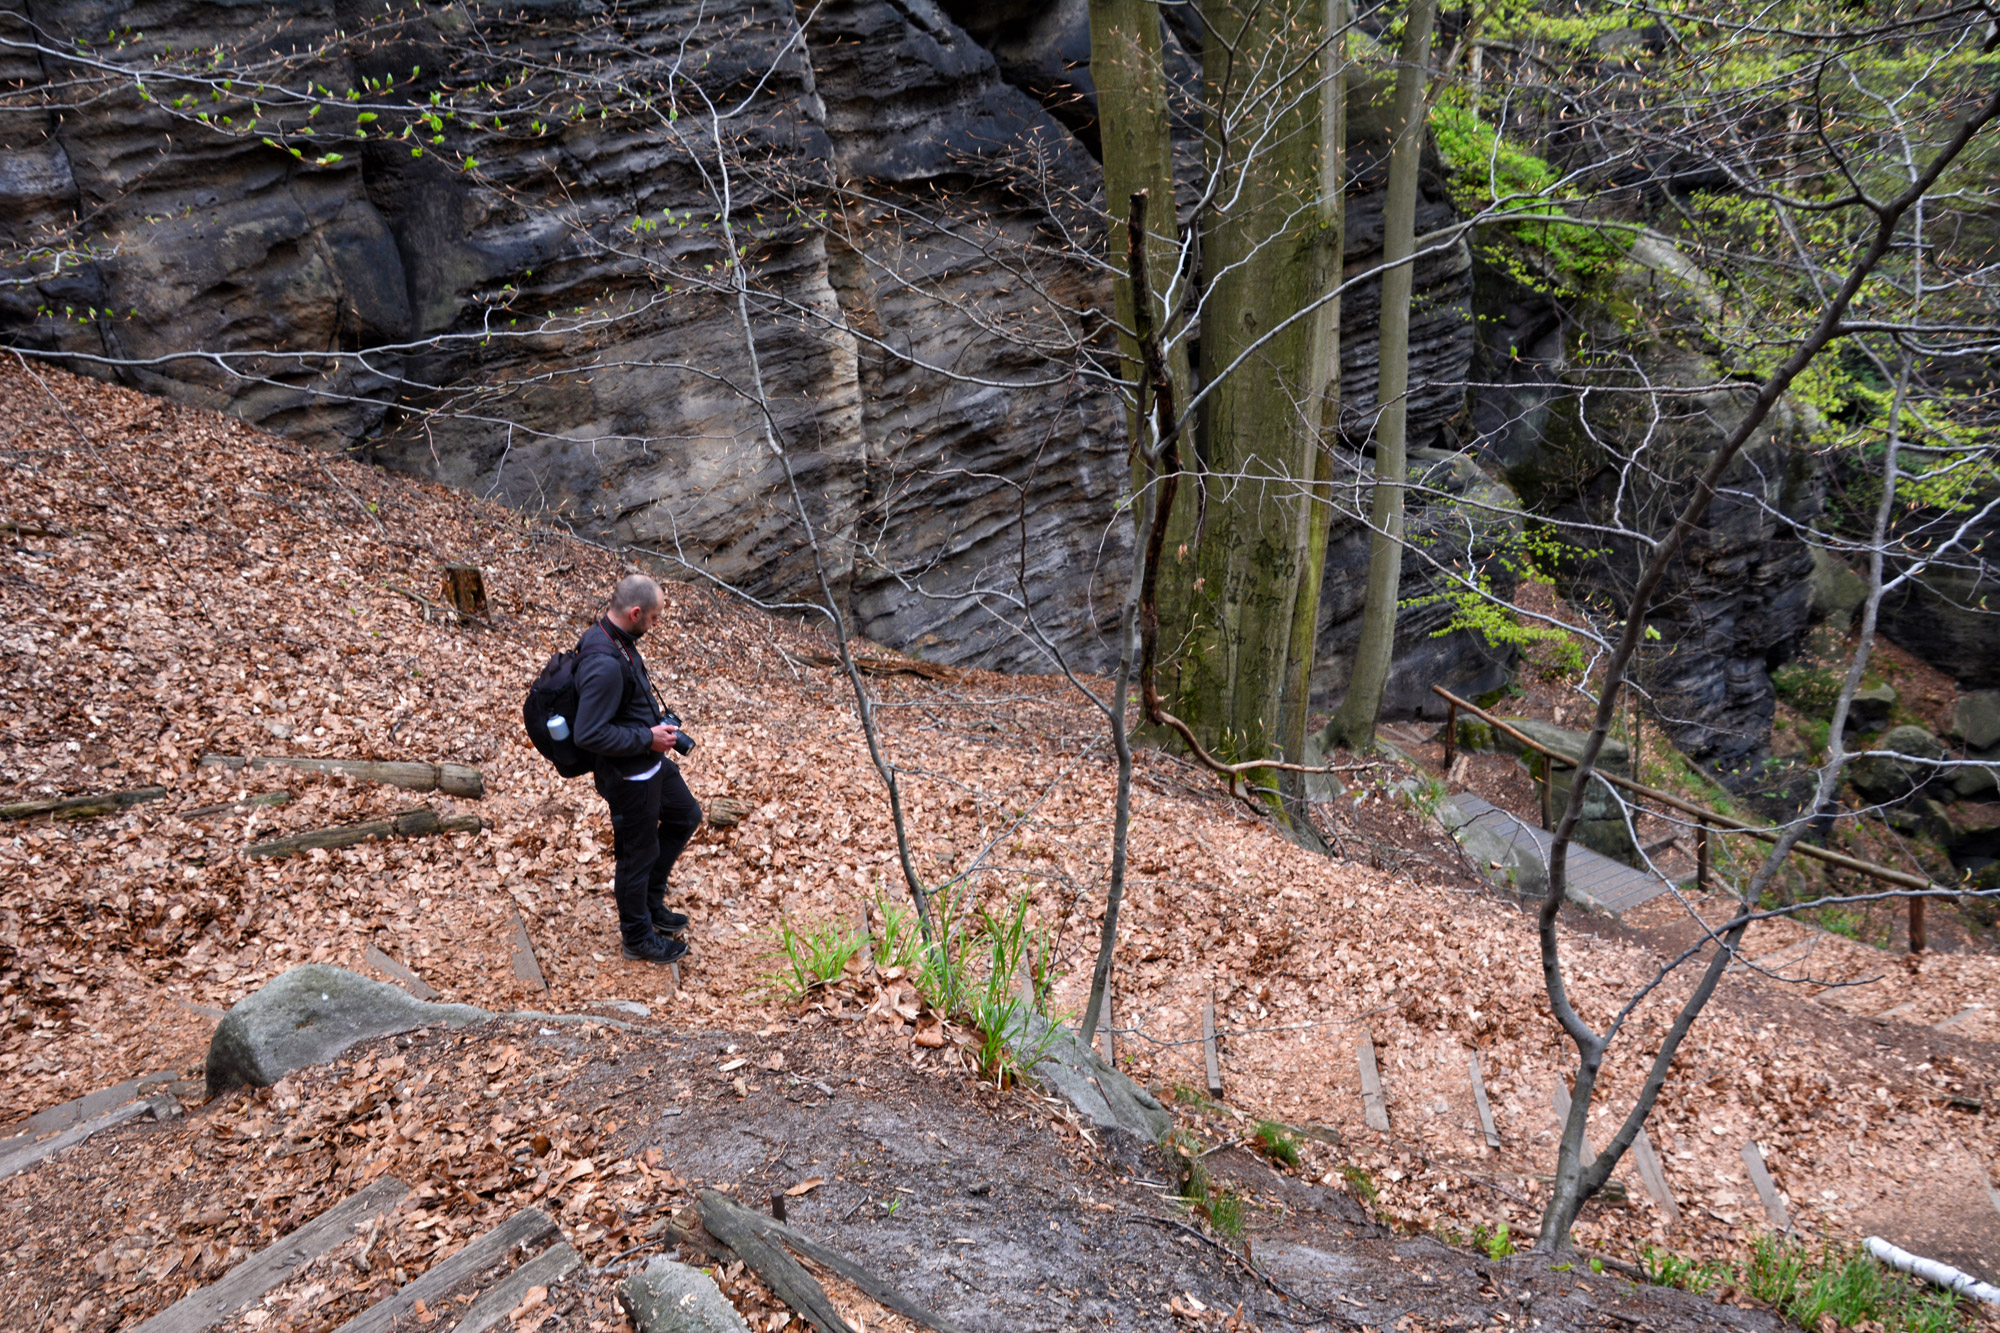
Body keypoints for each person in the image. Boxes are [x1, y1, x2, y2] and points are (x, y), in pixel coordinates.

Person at [572, 573, 702, 965]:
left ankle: (650, 901)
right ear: (634, 613)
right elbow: (588, 733)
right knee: (636, 857)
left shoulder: (619, 640)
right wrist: (648, 738)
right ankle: (637, 936)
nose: (657, 624)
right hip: (628, 777)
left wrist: (655, 728)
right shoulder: (603, 662)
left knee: (685, 816)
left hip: (650, 765)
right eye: (655, 617)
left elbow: (623, 708)